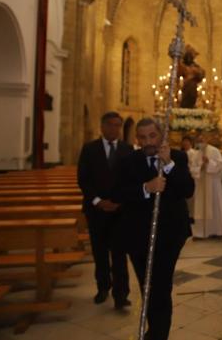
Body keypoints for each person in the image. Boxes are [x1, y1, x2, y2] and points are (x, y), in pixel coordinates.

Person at [114, 118, 194, 340]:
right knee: (146, 286)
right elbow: (117, 193)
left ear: (161, 135)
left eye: (152, 136)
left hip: (170, 235)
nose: (148, 141)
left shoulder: (177, 157)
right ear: (137, 138)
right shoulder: (127, 161)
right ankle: (154, 330)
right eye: (142, 137)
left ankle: (158, 335)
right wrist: (146, 188)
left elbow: (187, 190)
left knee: (161, 286)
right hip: (137, 235)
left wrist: (168, 165)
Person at [77, 111, 133, 308]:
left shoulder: (127, 150)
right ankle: (102, 287)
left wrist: (119, 201)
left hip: (120, 211)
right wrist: (98, 201)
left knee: (119, 254)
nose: (114, 129)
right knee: (99, 252)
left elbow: (131, 180)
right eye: (110, 124)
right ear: (102, 126)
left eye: (118, 125)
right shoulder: (89, 149)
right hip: (96, 210)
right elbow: (83, 180)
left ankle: (121, 294)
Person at [190, 134, 222, 238]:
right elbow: (192, 168)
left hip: (213, 183)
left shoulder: (214, 150)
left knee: (215, 205)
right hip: (201, 183)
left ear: (206, 139)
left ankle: (217, 231)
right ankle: (200, 233)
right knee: (201, 207)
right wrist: (200, 168)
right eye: (198, 141)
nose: (200, 142)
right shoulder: (196, 153)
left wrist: (209, 162)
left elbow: (221, 165)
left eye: (202, 140)